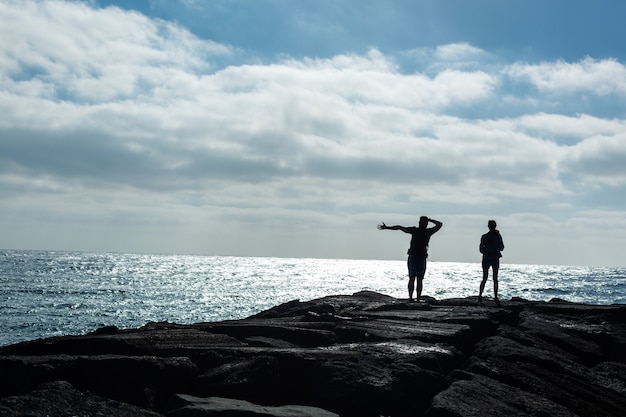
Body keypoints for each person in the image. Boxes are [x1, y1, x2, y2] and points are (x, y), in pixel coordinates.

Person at [378, 216, 443, 301]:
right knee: (412, 277)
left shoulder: (428, 232)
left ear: (426, 224)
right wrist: (387, 227)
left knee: (420, 279)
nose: (422, 224)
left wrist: (429, 219)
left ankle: (418, 298)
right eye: (421, 222)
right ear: (419, 223)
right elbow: (399, 227)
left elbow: (440, 224)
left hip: (422, 257)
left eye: (424, 222)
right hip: (413, 256)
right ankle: (411, 298)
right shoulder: (415, 230)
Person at [478, 220, 505, 306]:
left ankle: (493, 297)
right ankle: (482, 296)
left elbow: (502, 247)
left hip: (492, 258)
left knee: (492, 278)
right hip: (489, 258)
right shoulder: (486, 237)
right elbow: (481, 249)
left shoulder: (495, 236)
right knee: (489, 278)